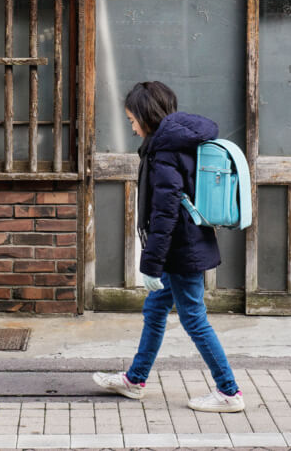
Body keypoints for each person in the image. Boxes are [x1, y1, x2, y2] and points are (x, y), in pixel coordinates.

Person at [93, 81, 245, 413]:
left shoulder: (165, 149)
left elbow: (165, 211)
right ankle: (135, 380)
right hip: (184, 245)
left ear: (146, 115)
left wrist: (150, 265)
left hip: (181, 249)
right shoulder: (176, 140)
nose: (132, 128)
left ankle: (229, 392)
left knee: (194, 319)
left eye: (132, 120)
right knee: (155, 310)